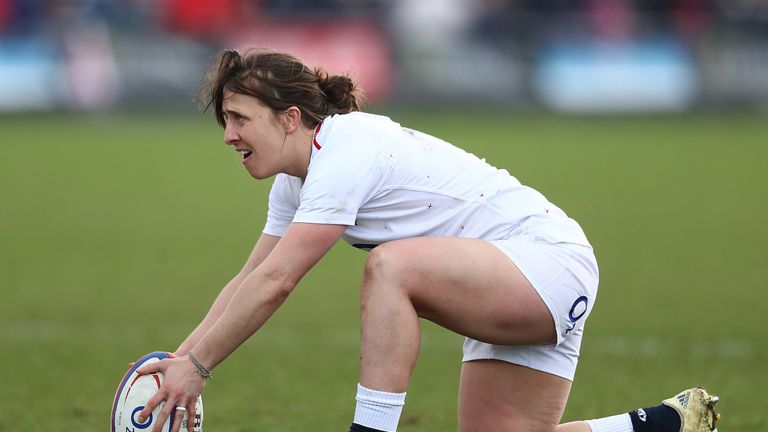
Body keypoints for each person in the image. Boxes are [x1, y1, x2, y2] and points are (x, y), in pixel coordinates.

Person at [136, 48, 720, 432]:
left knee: (392, 268)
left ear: (290, 117)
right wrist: (179, 361)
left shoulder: (345, 149)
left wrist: (200, 367)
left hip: (544, 263)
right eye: (225, 122)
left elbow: (278, 281)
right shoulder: (298, 181)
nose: (228, 135)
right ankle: (666, 423)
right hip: (508, 274)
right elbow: (248, 279)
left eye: (239, 118)